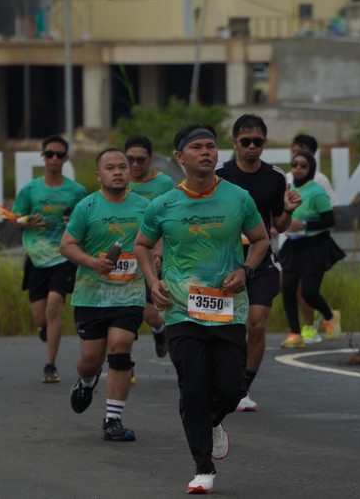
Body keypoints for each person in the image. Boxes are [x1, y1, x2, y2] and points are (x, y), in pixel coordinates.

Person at [134, 123, 270, 494]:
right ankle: (203, 467)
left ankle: (210, 421)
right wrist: (153, 282)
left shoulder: (238, 197)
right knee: (193, 386)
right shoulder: (163, 204)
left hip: (228, 308)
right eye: (197, 147)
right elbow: (142, 245)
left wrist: (247, 270)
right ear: (180, 157)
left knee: (231, 389)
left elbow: (260, 240)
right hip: (182, 309)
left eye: (211, 146)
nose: (206, 152)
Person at [60, 148, 148, 442]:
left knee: (120, 347)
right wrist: (94, 263)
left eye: (122, 166)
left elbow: (157, 239)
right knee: (91, 359)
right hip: (91, 295)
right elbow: (67, 245)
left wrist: (158, 258)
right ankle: (87, 381)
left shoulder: (145, 207)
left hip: (129, 293)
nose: (118, 172)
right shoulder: (86, 207)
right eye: (110, 168)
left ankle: (113, 420)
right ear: (99, 175)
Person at [215, 113, 301, 412]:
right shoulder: (219, 174)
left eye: (258, 142)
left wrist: (288, 210)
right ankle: (221, 379)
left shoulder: (275, 177)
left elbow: (279, 225)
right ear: (234, 143)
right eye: (246, 141)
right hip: (224, 260)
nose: (252, 147)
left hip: (261, 259)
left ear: (264, 143)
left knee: (257, 322)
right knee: (226, 327)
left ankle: (242, 388)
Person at [12, 135, 87, 382]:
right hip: (35, 256)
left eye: (59, 155)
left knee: (54, 305)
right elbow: (15, 218)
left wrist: (73, 224)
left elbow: (87, 222)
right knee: (40, 316)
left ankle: (50, 365)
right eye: (50, 154)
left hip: (63, 256)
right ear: (43, 157)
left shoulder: (77, 191)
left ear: (66, 159)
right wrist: (26, 222)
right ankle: (43, 327)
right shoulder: (30, 189)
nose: (54, 158)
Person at [279, 150, 345, 348]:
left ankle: (330, 315)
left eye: (303, 165)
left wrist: (304, 225)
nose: (298, 168)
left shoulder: (316, 191)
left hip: (315, 247)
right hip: (293, 245)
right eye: (294, 164)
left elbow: (330, 220)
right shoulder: (287, 188)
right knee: (287, 288)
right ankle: (295, 334)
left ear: (311, 168)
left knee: (309, 293)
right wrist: (276, 226)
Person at [124, 135, 175, 358]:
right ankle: (122, 361)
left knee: (149, 313)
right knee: (125, 312)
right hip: (123, 255)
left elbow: (169, 221)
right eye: (130, 159)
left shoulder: (165, 184)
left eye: (140, 160)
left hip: (153, 253)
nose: (134, 164)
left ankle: (160, 329)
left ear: (151, 158)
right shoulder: (118, 180)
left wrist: (160, 254)